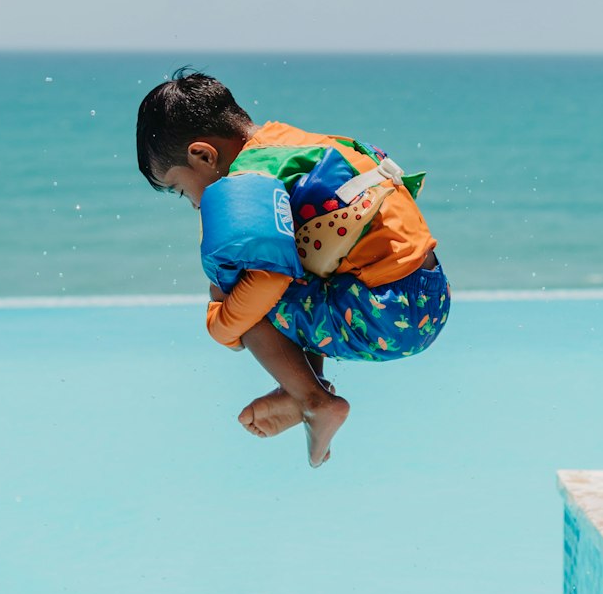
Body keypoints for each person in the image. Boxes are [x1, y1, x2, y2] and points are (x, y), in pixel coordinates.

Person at [136, 70, 450, 467]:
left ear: (203, 155)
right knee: (287, 251)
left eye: (183, 189)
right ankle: (299, 389)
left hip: (384, 319)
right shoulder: (295, 144)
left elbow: (269, 283)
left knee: (236, 276)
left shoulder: (248, 180)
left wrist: (222, 324)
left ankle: (313, 400)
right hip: (430, 295)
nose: (195, 203)